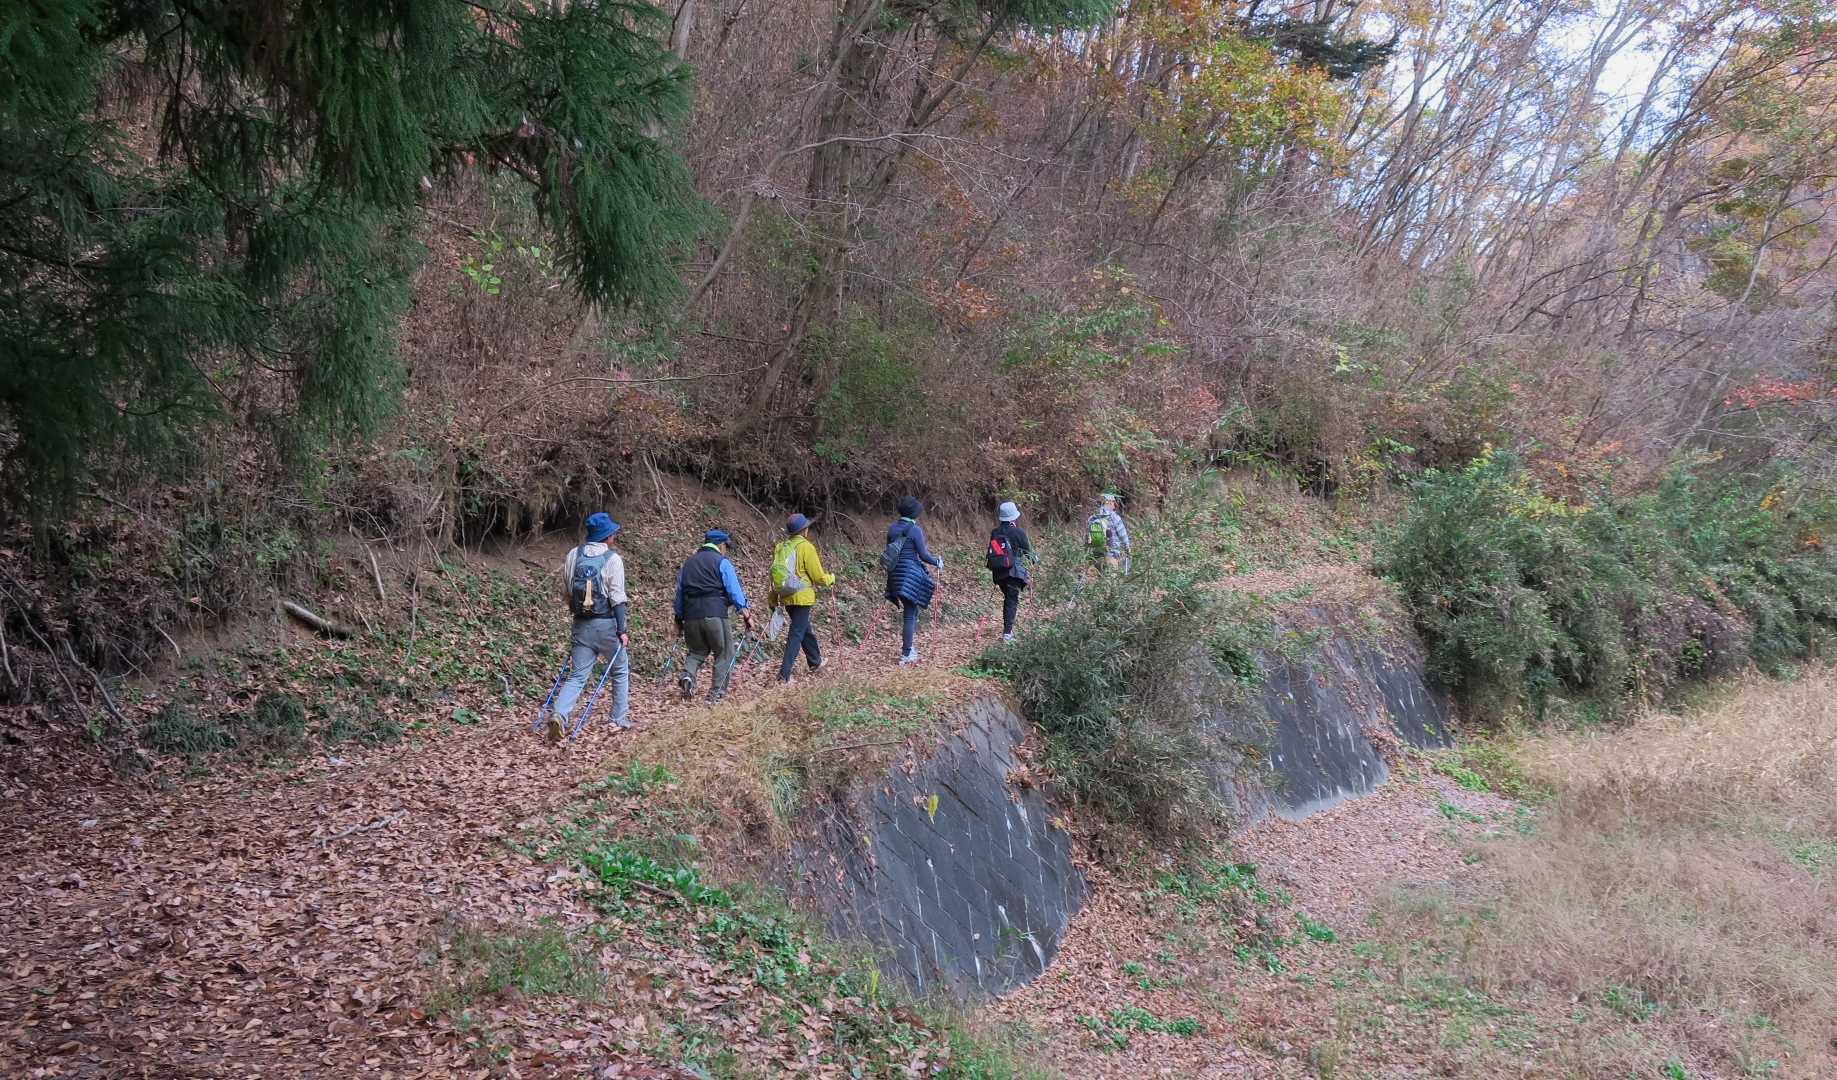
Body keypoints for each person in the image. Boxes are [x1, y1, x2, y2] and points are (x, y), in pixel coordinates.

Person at [548, 512, 630, 742]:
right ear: (607, 536)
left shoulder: (574, 554)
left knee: (577, 676)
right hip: (606, 625)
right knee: (620, 670)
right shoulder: (613, 559)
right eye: (612, 533)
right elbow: (617, 598)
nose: (614, 536)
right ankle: (619, 718)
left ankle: (559, 715)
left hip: (581, 625)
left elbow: (567, 589)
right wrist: (622, 630)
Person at [673, 528, 753, 704]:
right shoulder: (722, 562)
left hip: (691, 616)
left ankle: (688, 675)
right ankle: (715, 694)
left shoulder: (688, 564)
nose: (726, 550)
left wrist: (678, 619)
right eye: (726, 547)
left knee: (697, 651)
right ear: (721, 545)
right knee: (724, 653)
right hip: (715, 614)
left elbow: (680, 593)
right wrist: (746, 613)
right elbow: (734, 590)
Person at [769, 513, 835, 684]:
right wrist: (831, 579)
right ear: (804, 530)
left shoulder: (781, 547)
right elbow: (818, 577)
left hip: (786, 596)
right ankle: (783, 676)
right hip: (802, 597)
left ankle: (815, 661)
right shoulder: (806, 547)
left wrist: (773, 598)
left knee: (804, 629)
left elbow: (774, 576)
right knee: (797, 633)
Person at [884, 495, 944, 664]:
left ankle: (909, 648)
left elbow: (890, 552)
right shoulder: (915, 530)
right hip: (909, 576)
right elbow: (923, 555)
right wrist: (937, 562)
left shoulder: (892, 529)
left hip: (895, 576)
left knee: (911, 612)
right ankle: (907, 653)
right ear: (914, 513)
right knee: (910, 614)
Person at [986, 501, 1038, 642]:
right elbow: (1029, 554)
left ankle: (1008, 631)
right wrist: (1035, 560)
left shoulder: (995, 532)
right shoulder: (1018, 532)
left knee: (1009, 599)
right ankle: (1007, 634)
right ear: (1014, 517)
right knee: (1011, 600)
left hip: (998, 573)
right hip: (1014, 573)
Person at [1087, 492, 1132, 574]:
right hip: (1111, 557)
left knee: (1097, 580)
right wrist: (1127, 548)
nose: (1114, 506)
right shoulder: (1114, 518)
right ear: (1109, 502)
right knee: (1111, 578)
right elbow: (1123, 536)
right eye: (1113, 502)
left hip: (1095, 558)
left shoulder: (1092, 518)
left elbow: (1088, 539)